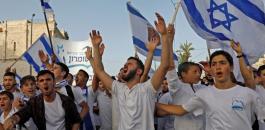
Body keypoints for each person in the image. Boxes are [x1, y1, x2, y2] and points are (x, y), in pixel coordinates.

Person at [86, 12, 169, 130]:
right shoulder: (118, 88)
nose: (125, 65)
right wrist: (95, 47)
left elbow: (164, 65)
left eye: (129, 64)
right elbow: (99, 71)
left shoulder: (147, 89)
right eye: (125, 64)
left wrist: (164, 36)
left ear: (139, 71)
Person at [156, 50, 265, 130]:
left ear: (231, 67)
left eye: (222, 63)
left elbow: (260, 121)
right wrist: (152, 102)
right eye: (214, 64)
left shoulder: (249, 94)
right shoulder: (203, 94)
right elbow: (181, 110)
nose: (218, 67)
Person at [3, 70, 81, 130]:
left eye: (48, 80)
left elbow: (76, 120)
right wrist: (13, 119)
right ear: (38, 85)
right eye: (41, 81)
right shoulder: (34, 102)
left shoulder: (66, 100)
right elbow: (23, 114)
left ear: (54, 83)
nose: (45, 82)